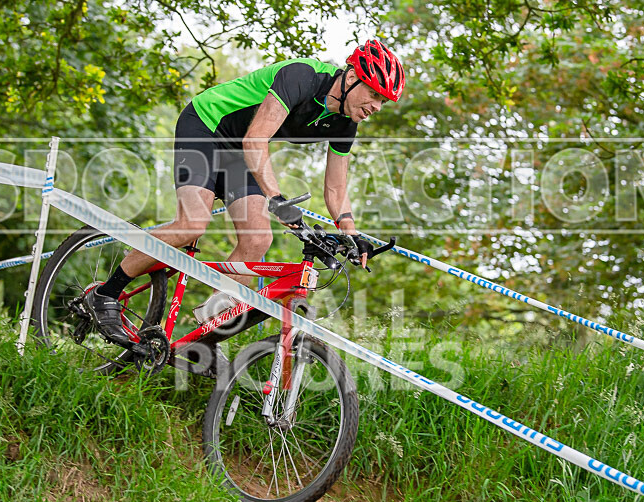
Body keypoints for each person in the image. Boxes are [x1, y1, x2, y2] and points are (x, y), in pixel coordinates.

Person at [84, 39, 406, 345]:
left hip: (239, 152)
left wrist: (351, 233)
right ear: (351, 77)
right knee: (192, 224)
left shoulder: (345, 124)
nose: (377, 107)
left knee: (257, 240)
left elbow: (335, 188)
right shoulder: (303, 76)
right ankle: (105, 294)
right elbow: (256, 139)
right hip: (207, 125)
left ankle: (200, 342)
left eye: (383, 101)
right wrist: (276, 199)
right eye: (373, 94)